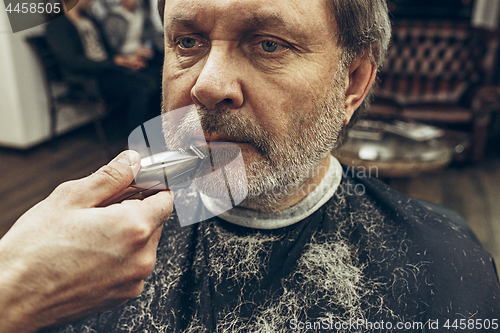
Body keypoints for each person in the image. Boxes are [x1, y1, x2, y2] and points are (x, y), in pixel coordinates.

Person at [1, 0, 499, 332]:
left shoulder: (443, 264)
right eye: (188, 42)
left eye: (268, 44)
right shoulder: (68, 256)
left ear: (353, 82)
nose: (206, 85)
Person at [45, 0, 159, 131]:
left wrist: (125, 61)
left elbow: (108, 50)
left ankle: (155, 132)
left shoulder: (89, 19)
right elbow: (73, 61)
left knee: (153, 76)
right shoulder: (57, 25)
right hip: (90, 79)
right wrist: (114, 63)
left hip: (108, 69)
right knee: (141, 87)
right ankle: (137, 139)